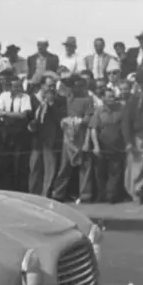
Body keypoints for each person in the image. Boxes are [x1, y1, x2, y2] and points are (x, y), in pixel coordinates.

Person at [51, 75, 96, 203]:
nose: (69, 88)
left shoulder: (87, 99)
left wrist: (79, 121)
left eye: (71, 85)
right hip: (67, 136)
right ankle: (58, 194)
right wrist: (65, 121)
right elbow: (59, 114)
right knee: (65, 165)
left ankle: (86, 195)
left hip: (81, 135)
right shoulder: (65, 99)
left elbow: (89, 118)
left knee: (84, 166)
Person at [122, 69, 143, 205]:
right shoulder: (133, 99)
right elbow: (126, 122)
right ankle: (136, 193)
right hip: (140, 134)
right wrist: (129, 141)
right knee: (137, 165)